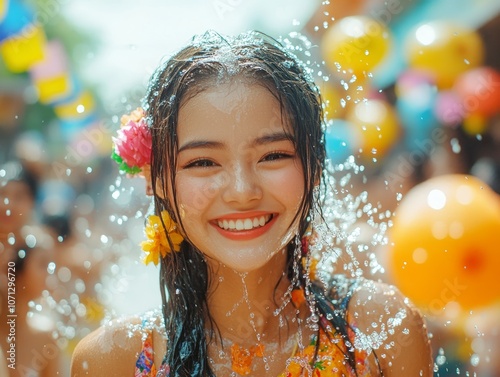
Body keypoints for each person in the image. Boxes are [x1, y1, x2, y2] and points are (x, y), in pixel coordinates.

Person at [71, 30, 433, 377]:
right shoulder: (111, 360)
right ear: (158, 181)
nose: (242, 192)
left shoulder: (385, 328)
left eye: (273, 155)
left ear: (315, 165)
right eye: (203, 162)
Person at [0, 160, 62, 377]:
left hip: (27, 335)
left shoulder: (38, 246)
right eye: (2, 194)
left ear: (32, 202)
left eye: (19, 196)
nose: (6, 204)